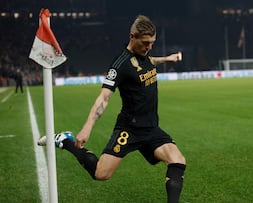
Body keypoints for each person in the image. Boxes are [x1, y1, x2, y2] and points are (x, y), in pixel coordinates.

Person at [38, 15, 186, 203]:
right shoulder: (120, 65)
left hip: (151, 128)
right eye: (146, 43)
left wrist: (167, 59)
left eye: (152, 43)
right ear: (132, 37)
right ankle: (67, 141)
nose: (149, 47)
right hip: (129, 129)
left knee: (178, 160)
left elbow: (148, 63)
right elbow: (104, 98)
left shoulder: (144, 54)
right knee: (101, 174)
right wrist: (88, 126)